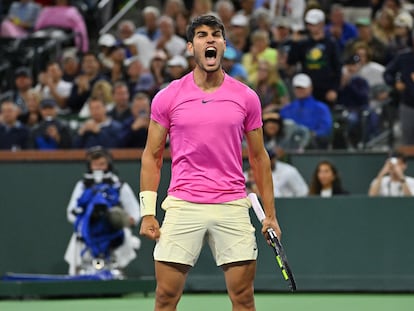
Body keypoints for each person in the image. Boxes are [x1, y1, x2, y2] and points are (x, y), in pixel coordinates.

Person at [139, 15, 281, 311]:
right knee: (165, 298)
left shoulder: (246, 97)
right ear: (191, 47)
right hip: (182, 204)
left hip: (231, 205)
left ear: (224, 45)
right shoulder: (167, 97)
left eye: (216, 35)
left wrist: (270, 215)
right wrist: (147, 212)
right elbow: (152, 155)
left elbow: (258, 157)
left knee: (243, 299)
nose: (210, 40)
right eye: (202, 35)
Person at [64, 146, 141, 276]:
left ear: (108, 164)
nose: (98, 168)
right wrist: (86, 217)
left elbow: (135, 212)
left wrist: (121, 219)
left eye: (102, 164)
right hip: (89, 232)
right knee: (79, 235)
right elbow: (71, 212)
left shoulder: (119, 185)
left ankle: (115, 268)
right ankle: (82, 271)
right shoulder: (82, 186)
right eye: (95, 164)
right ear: (90, 166)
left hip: (114, 232)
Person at [280, 73, 332, 149]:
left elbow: (326, 129)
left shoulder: (321, 108)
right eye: (297, 88)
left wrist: (312, 134)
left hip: (313, 146)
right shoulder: (286, 109)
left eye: (302, 88)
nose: (300, 90)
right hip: (290, 145)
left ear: (310, 88)